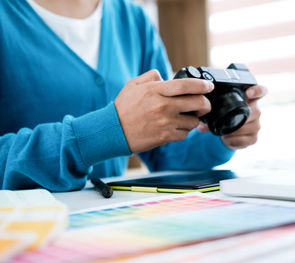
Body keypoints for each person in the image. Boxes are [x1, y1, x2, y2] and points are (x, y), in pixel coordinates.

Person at [0, 0, 266, 191]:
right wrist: (105, 131)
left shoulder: (133, 19)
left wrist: (223, 135)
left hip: (108, 221)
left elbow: (166, 152)